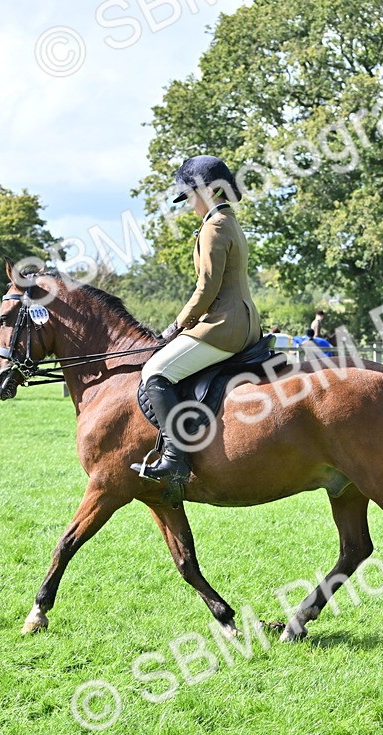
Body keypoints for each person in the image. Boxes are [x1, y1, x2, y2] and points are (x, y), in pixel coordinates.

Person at [138, 155, 262, 488]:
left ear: (206, 191)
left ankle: (174, 459)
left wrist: (176, 325)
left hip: (224, 326)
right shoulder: (228, 220)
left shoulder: (215, 226)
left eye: (191, 196)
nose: (190, 204)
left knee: (155, 371)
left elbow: (206, 288)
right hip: (240, 322)